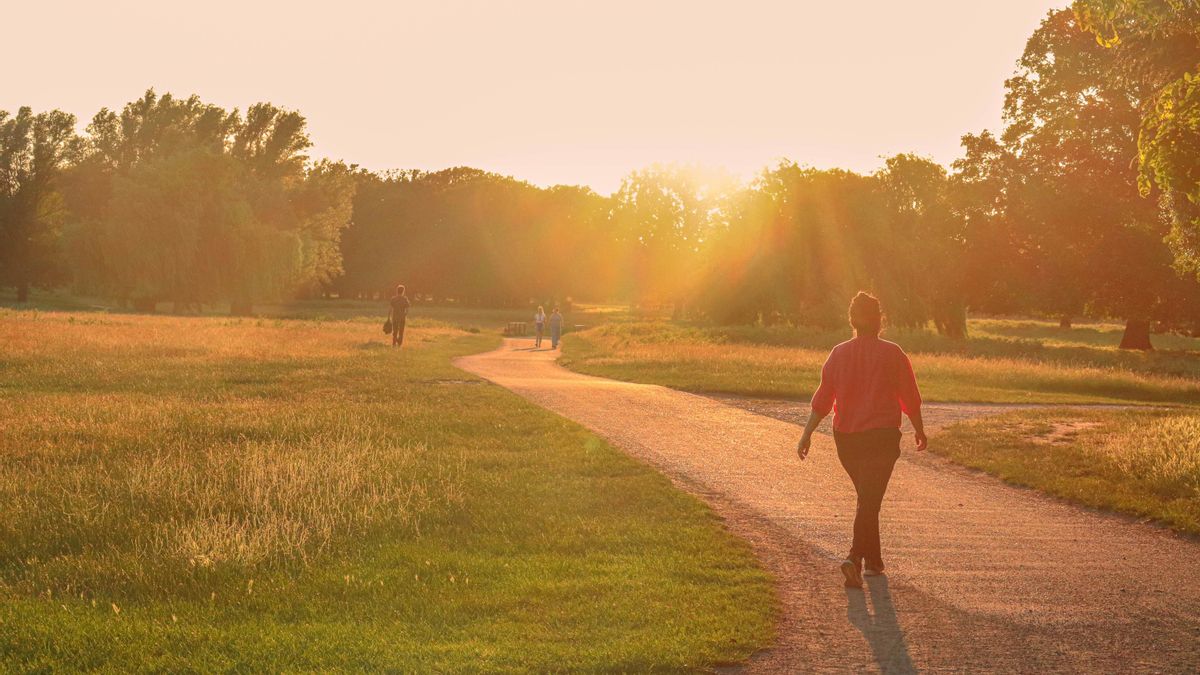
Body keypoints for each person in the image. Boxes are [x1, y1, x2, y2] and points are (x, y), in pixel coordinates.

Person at [796, 291, 926, 588]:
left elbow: (823, 400)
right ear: (880, 320)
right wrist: (919, 429)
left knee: (868, 499)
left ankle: (874, 562)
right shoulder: (893, 353)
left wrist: (806, 434)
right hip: (880, 437)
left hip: (847, 440)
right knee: (869, 499)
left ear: (851, 320)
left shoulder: (838, 353)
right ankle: (854, 557)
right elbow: (910, 399)